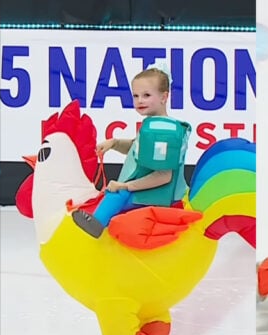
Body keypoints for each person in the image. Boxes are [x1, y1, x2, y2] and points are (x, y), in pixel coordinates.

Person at [72, 63, 191, 239]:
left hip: (157, 195)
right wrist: (115, 143)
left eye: (146, 95)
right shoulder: (154, 126)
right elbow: (139, 151)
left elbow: (164, 175)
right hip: (150, 189)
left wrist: (126, 186)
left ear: (164, 97)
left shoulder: (162, 131)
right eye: (135, 96)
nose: (139, 101)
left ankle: (96, 225)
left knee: (116, 194)